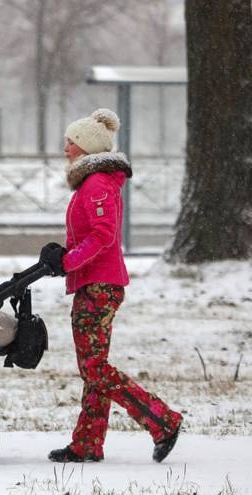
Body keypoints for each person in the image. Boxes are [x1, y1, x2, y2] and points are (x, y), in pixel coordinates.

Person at [39, 108, 182, 463]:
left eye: (71, 142)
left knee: (95, 368)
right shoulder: (92, 183)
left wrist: (69, 261)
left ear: (86, 148)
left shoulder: (98, 184)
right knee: (94, 366)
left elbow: (103, 236)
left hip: (99, 285)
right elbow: (88, 234)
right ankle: (87, 443)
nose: (66, 147)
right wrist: (63, 255)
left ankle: (162, 420)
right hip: (92, 283)